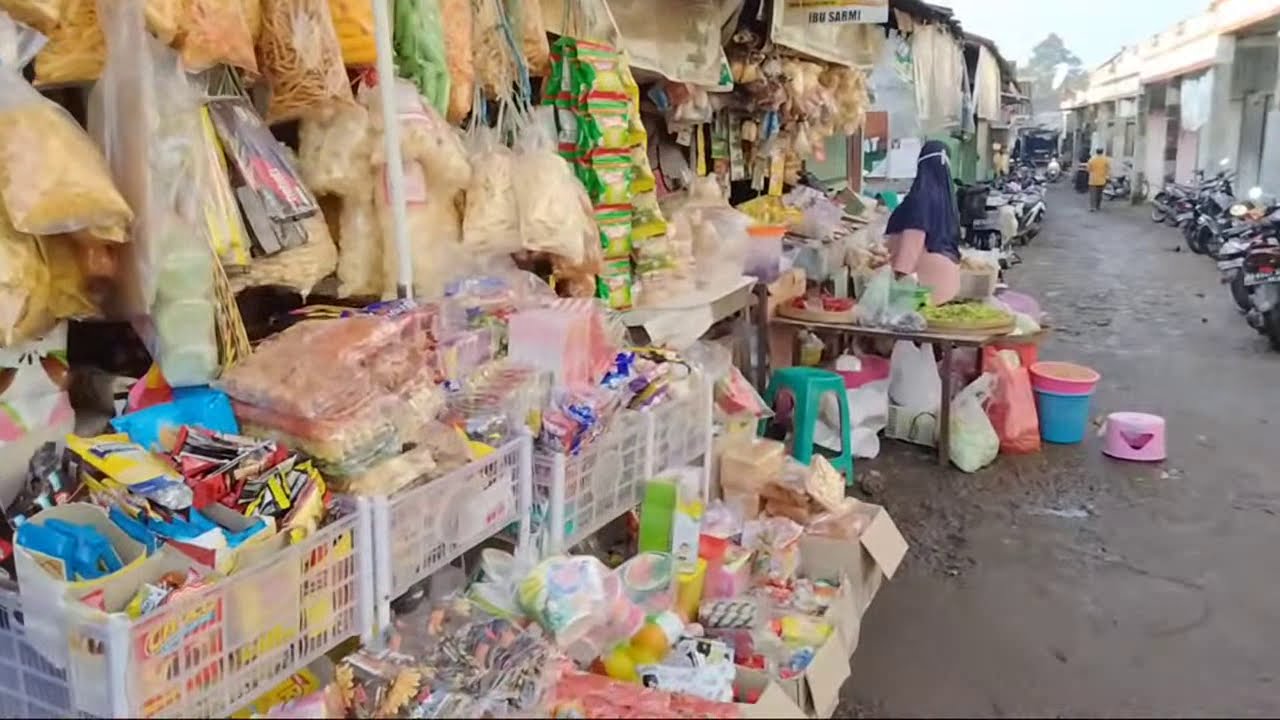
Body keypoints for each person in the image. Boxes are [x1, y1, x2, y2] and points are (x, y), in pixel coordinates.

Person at [884, 140, 961, 305]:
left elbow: (914, 238)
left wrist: (899, 275)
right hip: (949, 277)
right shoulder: (948, 200)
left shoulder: (920, 198)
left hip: (926, 280)